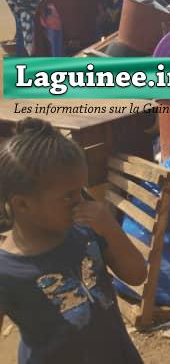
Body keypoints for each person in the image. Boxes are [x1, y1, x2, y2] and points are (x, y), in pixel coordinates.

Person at [0, 118, 146, 363]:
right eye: (69, 196)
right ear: (22, 204)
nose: (81, 201)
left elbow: (137, 275)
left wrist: (110, 227)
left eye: (81, 190)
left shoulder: (85, 231)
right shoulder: (7, 272)